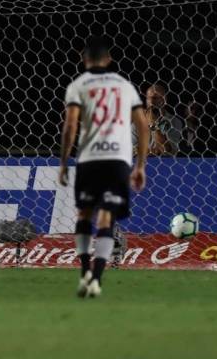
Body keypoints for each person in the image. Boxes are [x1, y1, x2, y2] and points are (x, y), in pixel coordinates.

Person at [58, 36, 150, 299]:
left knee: (84, 215)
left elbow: (70, 126)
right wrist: (140, 164)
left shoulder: (78, 86)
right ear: (109, 60)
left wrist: (64, 162)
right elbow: (143, 126)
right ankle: (98, 278)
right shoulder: (125, 86)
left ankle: (85, 271)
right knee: (107, 217)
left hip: (89, 159)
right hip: (118, 160)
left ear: (83, 59)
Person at [145, 82, 184, 156]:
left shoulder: (175, 122)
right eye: (148, 98)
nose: (150, 102)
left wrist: (153, 124)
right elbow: (131, 152)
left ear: (164, 99)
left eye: (155, 98)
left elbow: (166, 151)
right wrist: (154, 151)